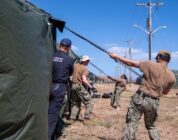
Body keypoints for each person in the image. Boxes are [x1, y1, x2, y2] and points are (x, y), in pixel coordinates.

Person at [109, 50, 176, 140]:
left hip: (140, 98)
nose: (156, 59)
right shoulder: (172, 76)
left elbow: (130, 63)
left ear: (159, 57)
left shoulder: (150, 64)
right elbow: (165, 92)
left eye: (156, 58)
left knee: (131, 124)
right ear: (168, 60)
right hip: (154, 102)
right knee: (151, 126)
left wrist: (116, 56)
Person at [48, 38, 74, 140]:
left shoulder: (51, 56)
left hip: (47, 85)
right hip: (59, 87)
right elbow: (70, 73)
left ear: (60, 46)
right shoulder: (69, 60)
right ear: (68, 48)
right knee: (53, 115)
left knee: (46, 111)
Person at [69, 55, 97, 122]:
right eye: (88, 60)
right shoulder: (85, 69)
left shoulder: (75, 66)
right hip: (79, 87)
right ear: (86, 61)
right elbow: (84, 80)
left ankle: (72, 118)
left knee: (75, 103)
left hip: (73, 86)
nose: (89, 61)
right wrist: (91, 87)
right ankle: (86, 116)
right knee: (89, 102)